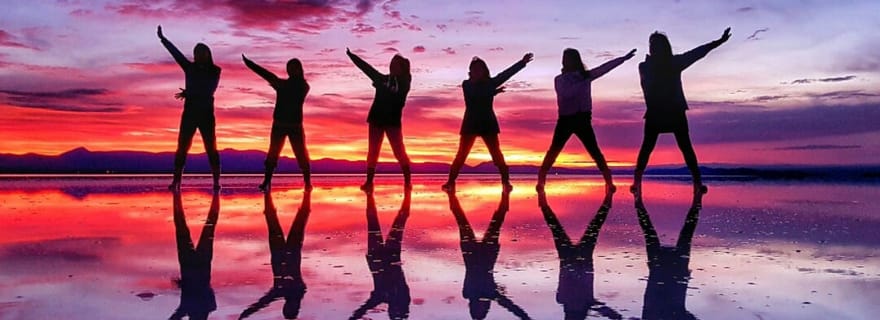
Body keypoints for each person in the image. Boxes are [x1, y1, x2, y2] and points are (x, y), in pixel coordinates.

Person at [632, 28, 731, 197]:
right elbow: (648, 86)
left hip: (674, 111)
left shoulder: (673, 63)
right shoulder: (646, 66)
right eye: (652, 44)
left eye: (656, 44)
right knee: (647, 148)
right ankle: (637, 182)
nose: (653, 47)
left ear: (664, 47)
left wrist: (718, 42)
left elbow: (697, 53)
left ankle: (698, 183)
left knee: (685, 147)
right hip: (657, 112)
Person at [537, 48, 636, 194]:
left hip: (583, 119)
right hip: (565, 120)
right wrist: (583, 82)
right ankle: (541, 180)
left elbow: (604, 69)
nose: (566, 61)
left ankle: (609, 182)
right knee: (554, 150)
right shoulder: (560, 79)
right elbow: (566, 94)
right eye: (565, 58)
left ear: (576, 60)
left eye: (569, 58)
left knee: (594, 151)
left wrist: (623, 59)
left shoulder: (585, 75)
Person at [442, 53, 534, 192]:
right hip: (470, 124)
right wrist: (493, 92)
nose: (477, 72)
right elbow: (476, 95)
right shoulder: (467, 84)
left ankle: (506, 182)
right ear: (470, 72)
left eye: (480, 69)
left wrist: (522, 63)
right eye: (474, 69)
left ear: (484, 71)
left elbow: (506, 74)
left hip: (487, 123)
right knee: (461, 156)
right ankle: (450, 182)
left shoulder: (490, 83)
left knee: (497, 155)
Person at [538, 190, 623, 320]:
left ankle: (608, 197)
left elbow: (610, 313)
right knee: (557, 228)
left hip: (578, 261)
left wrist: (616, 317)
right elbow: (610, 313)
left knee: (593, 227)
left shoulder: (586, 302)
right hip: (574, 261)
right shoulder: (563, 299)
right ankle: (542, 200)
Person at [447, 191, 531, 320]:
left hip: (473, 255)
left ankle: (451, 194)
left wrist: (525, 317)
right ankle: (505, 196)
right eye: (483, 309)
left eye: (477, 309)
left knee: (463, 221)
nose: (481, 306)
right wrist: (525, 317)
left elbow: (509, 305)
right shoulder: (486, 294)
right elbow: (510, 306)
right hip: (486, 255)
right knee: (494, 222)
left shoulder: (470, 294)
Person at [158, 25, 222, 191]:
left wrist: (190, 92)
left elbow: (209, 88)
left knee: (211, 148)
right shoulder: (189, 68)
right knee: (182, 147)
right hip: (190, 113)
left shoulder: (215, 70)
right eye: (196, 53)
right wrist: (164, 39)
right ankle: (176, 181)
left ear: (208, 54)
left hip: (206, 114)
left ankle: (216, 182)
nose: (198, 56)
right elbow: (176, 54)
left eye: (201, 53)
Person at [241, 54, 312, 191]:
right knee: (272, 154)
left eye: (293, 68)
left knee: (301, 154)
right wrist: (251, 64)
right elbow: (267, 75)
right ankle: (267, 181)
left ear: (299, 69)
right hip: (279, 125)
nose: (290, 71)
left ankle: (308, 183)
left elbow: (272, 78)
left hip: (295, 126)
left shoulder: (303, 86)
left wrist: (251, 64)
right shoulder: (283, 85)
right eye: (289, 68)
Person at [346, 48, 413, 191]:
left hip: (392, 122)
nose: (392, 66)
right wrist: (352, 56)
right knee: (373, 151)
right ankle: (369, 182)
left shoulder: (405, 82)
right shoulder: (382, 79)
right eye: (391, 63)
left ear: (402, 68)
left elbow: (396, 93)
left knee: (399, 151)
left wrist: (381, 86)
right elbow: (367, 68)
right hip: (376, 119)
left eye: (395, 64)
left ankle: (408, 181)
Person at [239, 190, 311, 319]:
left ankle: (267, 192)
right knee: (299, 221)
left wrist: (246, 314)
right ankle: (307, 190)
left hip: (278, 254)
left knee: (272, 220)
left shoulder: (281, 291)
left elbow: (263, 302)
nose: (289, 305)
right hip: (292, 252)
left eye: (287, 308)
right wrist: (246, 314)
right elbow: (264, 302)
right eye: (292, 308)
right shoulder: (298, 291)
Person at [636, 190, 703, 319]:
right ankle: (697, 201)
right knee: (684, 233)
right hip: (673, 271)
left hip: (661, 271)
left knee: (651, 234)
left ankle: (637, 201)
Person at [349, 189, 412, 320]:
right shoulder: (390, 296)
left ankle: (372, 192)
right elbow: (361, 311)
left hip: (377, 256)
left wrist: (355, 317)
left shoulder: (382, 296)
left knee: (377, 220)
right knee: (397, 221)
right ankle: (407, 189)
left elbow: (361, 310)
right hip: (388, 256)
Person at [169, 190, 220, 320]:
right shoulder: (188, 308)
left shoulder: (208, 306)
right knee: (183, 226)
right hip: (193, 265)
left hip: (195, 265)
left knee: (208, 227)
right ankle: (215, 190)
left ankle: (177, 194)